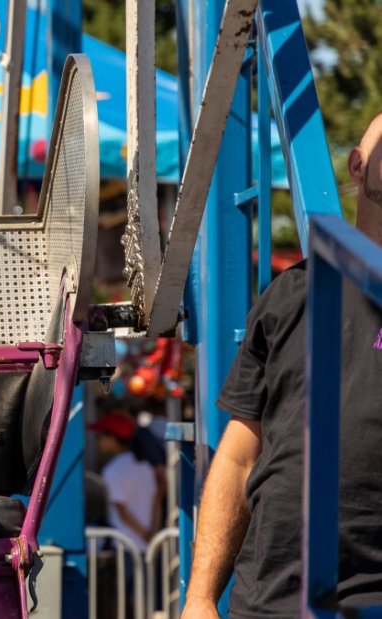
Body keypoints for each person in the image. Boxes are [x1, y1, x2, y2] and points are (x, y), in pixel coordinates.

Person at [182, 114, 382, 618]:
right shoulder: (291, 294)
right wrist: (201, 598)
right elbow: (237, 456)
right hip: (268, 601)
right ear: (357, 165)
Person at [89, 412, 156, 553]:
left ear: (112, 437)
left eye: (100, 436)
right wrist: (151, 535)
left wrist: (145, 534)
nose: (98, 441)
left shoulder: (113, 469)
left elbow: (122, 511)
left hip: (125, 547)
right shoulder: (145, 465)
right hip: (148, 546)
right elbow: (156, 501)